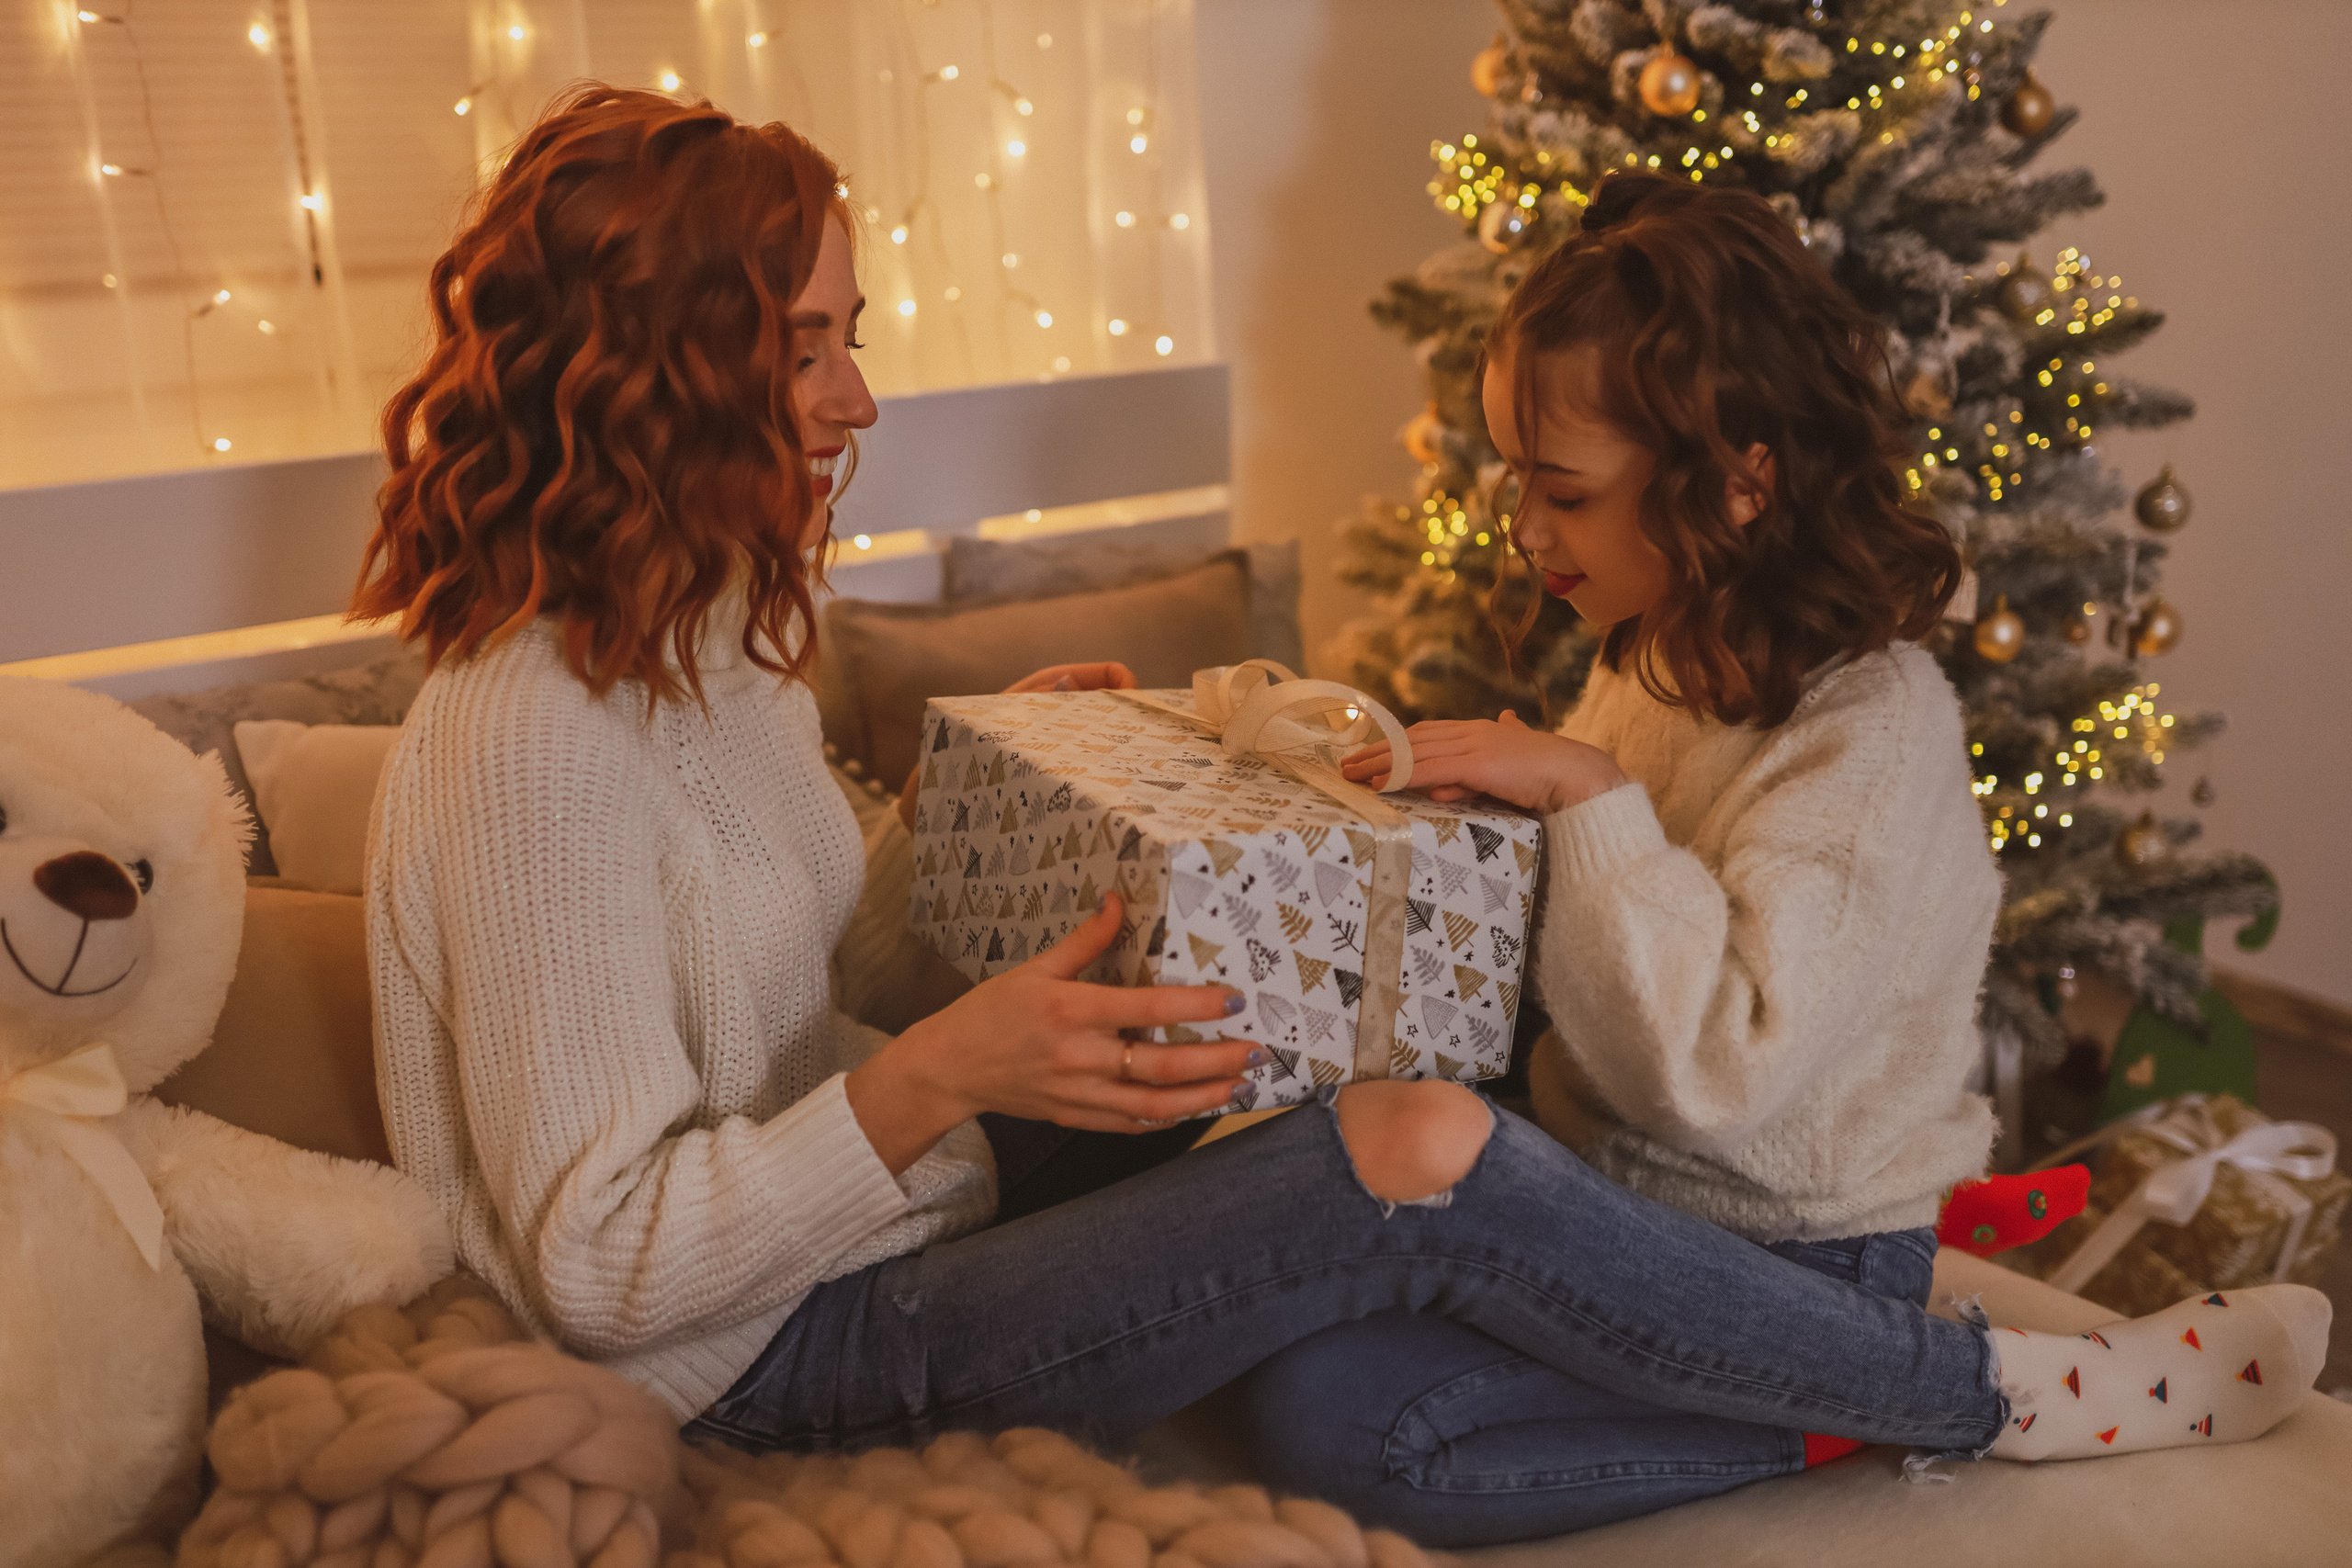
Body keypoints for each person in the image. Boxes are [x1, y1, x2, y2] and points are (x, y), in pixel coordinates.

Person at [356, 95, 2326, 1550]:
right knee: (1385, 1144)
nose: (857, 390)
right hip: (753, 1353)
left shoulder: (709, 639)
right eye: (804, 346)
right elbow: (610, 1267)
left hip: (865, 1215)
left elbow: (814, 989)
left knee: (1282, 1064)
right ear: (661, 374)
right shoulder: (530, 732)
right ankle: (1964, 1387)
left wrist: (973, 832)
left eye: (845, 331)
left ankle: (1788, 1326)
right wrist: (937, 1075)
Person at [1308, 169, 2328, 1539]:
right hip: (1622, 1206)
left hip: (1792, 1250)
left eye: (1562, 489)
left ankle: (1900, 1387)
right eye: (1514, 479)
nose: (1530, 528)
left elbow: (1717, 1073)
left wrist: (1589, 800)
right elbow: (1606, 954)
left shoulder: (1871, 730)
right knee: (1309, 1330)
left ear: (1739, 486)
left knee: (1352, 1432)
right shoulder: (1658, 652)